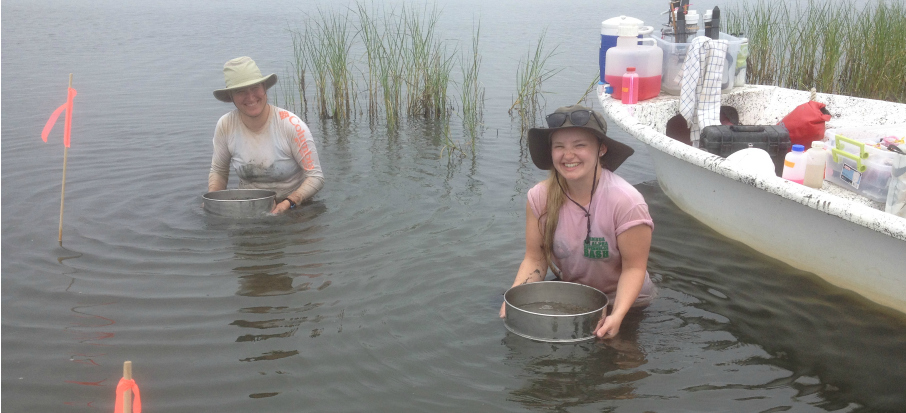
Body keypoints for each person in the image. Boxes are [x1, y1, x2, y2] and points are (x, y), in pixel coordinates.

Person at [500, 105, 656, 339]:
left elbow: (634, 268)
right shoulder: (539, 197)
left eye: (579, 145)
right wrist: (514, 300)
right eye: (559, 147)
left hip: (628, 303)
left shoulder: (626, 202)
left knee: (622, 364)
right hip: (574, 297)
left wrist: (618, 315)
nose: (568, 155)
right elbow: (536, 258)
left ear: (601, 149)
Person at [208, 56, 324, 213]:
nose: (250, 97)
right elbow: (219, 171)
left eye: (255, 88)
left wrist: (289, 202)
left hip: (295, 208)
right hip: (247, 208)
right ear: (231, 97)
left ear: (264, 88)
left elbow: (316, 177)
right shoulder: (226, 125)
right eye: (240, 91)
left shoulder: (291, 125)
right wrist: (213, 204)